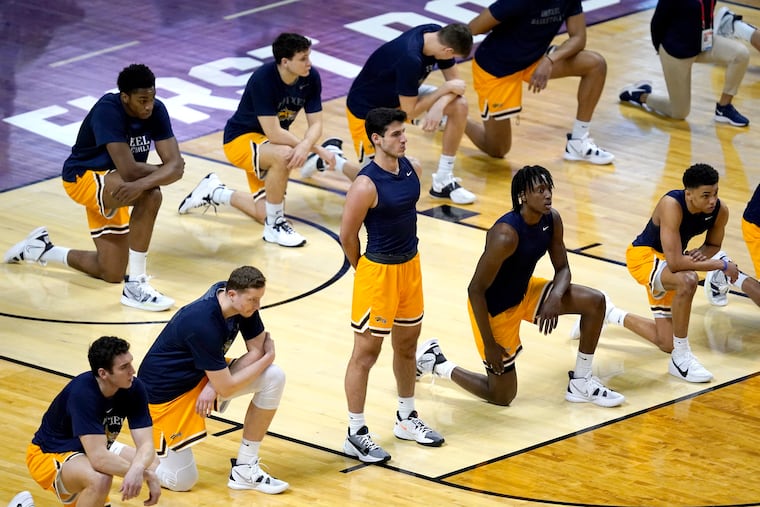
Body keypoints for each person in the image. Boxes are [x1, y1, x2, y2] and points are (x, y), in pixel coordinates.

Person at [415, 165, 624, 408]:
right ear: (523, 196)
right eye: (540, 190)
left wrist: (555, 297)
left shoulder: (552, 219)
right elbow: (475, 290)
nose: (548, 195)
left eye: (549, 189)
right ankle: (437, 363)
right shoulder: (506, 235)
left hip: (525, 291)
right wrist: (490, 344)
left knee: (595, 302)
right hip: (495, 310)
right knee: (502, 396)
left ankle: (581, 381)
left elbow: (563, 269)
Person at [3, 63, 183, 312]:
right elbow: (142, 169)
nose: (148, 106)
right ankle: (136, 285)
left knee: (110, 271)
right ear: (125, 97)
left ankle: (42, 249)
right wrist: (163, 172)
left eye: (151, 98)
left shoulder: (156, 110)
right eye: (142, 100)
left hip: (117, 186)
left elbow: (172, 168)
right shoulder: (107, 110)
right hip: (82, 179)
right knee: (151, 194)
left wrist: (159, 174)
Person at [177, 33, 359, 247]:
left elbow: (316, 124)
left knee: (263, 210)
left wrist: (307, 147)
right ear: (285, 62)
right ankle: (275, 226)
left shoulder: (311, 78)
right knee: (285, 156)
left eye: (308, 56)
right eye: (303, 58)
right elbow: (273, 132)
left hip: (271, 145)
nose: (309, 63)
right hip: (241, 140)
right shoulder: (263, 79)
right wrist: (314, 149)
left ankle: (215, 191)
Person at [340, 107, 444, 464]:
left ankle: (406, 417)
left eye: (404, 132)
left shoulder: (411, 167)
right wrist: (364, 272)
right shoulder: (365, 184)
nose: (403, 138)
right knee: (366, 355)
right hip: (378, 273)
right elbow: (347, 235)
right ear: (376, 139)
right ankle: (355, 433)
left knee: (407, 346)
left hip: (410, 268)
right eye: (396, 134)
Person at [137, 265, 288, 494]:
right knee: (181, 481)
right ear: (231, 295)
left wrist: (211, 385)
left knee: (274, 377)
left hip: (201, 377)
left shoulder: (241, 304)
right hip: (164, 396)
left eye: (259, 299)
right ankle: (114, 454)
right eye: (253, 300)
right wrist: (269, 357)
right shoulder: (201, 322)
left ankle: (245, 469)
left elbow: (255, 350)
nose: (257, 306)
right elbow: (231, 382)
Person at [605, 164, 743, 384]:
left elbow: (713, 243)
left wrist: (701, 255)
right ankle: (681, 358)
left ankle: (609, 312)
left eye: (715, 193)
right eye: (705, 195)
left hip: (667, 265)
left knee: (665, 341)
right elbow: (677, 263)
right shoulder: (671, 204)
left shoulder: (720, 210)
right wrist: (721, 266)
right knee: (688, 279)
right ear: (688, 194)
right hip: (644, 257)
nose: (712, 200)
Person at [466, 1, 614, 164]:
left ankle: (578, 142)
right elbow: (473, 28)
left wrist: (550, 60)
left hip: (536, 59)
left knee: (595, 64)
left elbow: (579, 38)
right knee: (498, 149)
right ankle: (455, 117)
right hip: (497, 68)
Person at [345, 23, 477, 204]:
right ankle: (331, 158)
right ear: (448, 51)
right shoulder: (410, 58)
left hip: (402, 100)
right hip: (369, 113)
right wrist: (443, 90)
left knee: (459, 105)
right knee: (381, 188)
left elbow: (458, 85)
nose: (452, 59)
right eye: (453, 56)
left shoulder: (435, 33)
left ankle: (443, 180)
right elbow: (411, 111)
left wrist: (440, 105)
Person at [24, 336, 160, 507]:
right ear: (103, 373)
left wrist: (138, 469)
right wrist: (146, 475)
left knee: (153, 463)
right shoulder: (83, 393)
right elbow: (99, 460)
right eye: (124, 367)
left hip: (88, 449)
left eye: (131, 363)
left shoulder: (134, 387)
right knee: (101, 478)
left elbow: (147, 445)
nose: (132, 371)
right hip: (50, 454)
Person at [619, 0, 750, 127]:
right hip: (676, 53)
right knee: (679, 113)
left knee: (740, 54)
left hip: (703, 45)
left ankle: (724, 108)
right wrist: (660, 50)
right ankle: (640, 95)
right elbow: (657, 23)